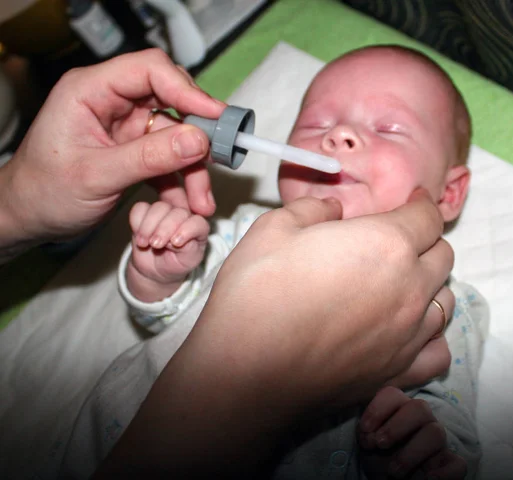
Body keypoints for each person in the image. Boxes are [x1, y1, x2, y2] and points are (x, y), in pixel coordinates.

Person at [0, 49, 454, 479]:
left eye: (391, 128)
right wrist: (161, 275)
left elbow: (451, 424)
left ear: (449, 193)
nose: (337, 136)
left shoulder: (437, 294)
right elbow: (168, 320)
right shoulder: (247, 231)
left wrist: (406, 451)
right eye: (316, 123)